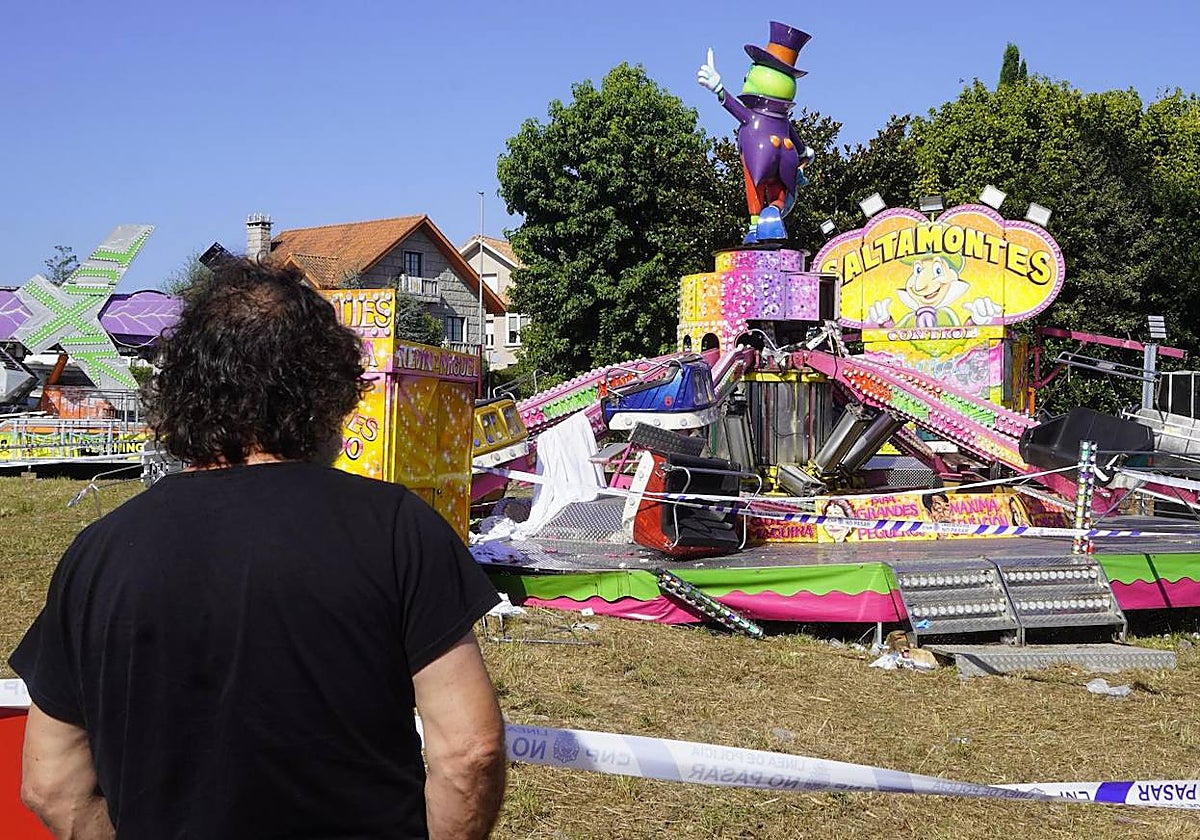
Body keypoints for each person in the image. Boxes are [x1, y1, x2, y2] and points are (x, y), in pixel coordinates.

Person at [11, 259, 506, 839]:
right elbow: (468, 753)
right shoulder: (398, 529)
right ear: (324, 391)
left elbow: (51, 785)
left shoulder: (97, 554)